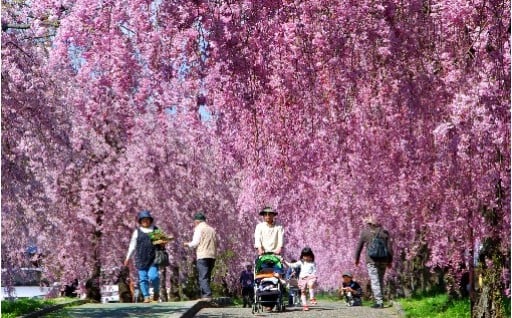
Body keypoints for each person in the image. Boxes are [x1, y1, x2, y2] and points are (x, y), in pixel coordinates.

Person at [354, 214, 393, 309]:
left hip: (371, 260)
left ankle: (379, 302)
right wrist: (390, 261)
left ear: (369, 223)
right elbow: (390, 248)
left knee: (375, 281)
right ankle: (379, 300)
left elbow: (359, 247)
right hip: (384, 260)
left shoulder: (365, 232)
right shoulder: (385, 232)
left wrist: (357, 259)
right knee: (380, 280)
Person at [124, 210, 161, 303]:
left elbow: (161, 244)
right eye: (143, 220)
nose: (145, 221)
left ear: (150, 220)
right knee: (143, 278)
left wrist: (163, 241)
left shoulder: (155, 230)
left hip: (153, 258)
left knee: (154, 277)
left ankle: (156, 292)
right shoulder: (137, 232)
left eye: (147, 219)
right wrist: (128, 257)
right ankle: (146, 296)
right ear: (140, 221)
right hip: (140, 258)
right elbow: (132, 246)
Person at [184, 211, 217, 302]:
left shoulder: (199, 229)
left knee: (203, 276)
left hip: (203, 255)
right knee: (207, 276)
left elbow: (195, 243)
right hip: (212, 255)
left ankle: (207, 295)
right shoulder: (212, 229)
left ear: (197, 221)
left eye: (194, 222)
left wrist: (187, 244)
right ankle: (206, 295)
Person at [285, 247, 318, 311]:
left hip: (311, 277)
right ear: (302, 256)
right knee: (303, 292)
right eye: (304, 256)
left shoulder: (313, 263)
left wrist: (313, 276)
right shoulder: (301, 262)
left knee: (311, 285)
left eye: (307, 256)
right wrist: (284, 262)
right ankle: (305, 305)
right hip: (302, 278)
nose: (305, 258)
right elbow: (292, 265)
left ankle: (312, 298)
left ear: (310, 255)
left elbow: (314, 271)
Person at [254, 206, 284, 275]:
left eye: (270, 214)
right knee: (260, 271)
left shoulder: (279, 227)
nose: (268, 216)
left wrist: (279, 248)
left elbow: (281, 238)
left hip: (275, 255)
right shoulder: (259, 226)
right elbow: (257, 238)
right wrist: (259, 248)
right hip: (263, 255)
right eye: (266, 214)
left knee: (279, 272)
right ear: (263, 216)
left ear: (273, 215)